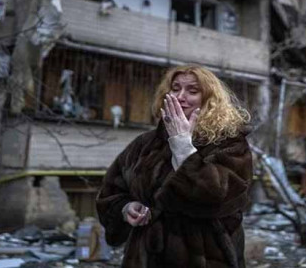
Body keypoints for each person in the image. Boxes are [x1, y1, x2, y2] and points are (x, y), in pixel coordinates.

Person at [96, 65, 253, 268]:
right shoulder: (146, 144)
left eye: (192, 91)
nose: (180, 96)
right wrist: (126, 208)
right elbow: (111, 191)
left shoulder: (229, 143)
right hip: (145, 257)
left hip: (206, 256)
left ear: (209, 99)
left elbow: (218, 195)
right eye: (175, 88)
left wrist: (182, 145)